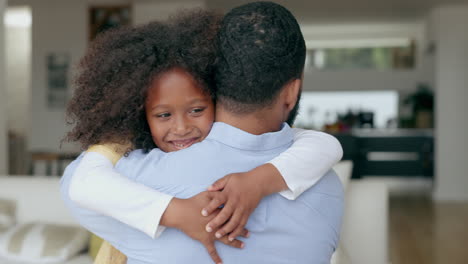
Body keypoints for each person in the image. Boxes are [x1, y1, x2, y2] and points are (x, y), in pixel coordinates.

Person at [61, 2, 343, 264]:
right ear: (292, 92)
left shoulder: (132, 176)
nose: (181, 127)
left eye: (195, 110)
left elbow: (77, 185)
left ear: (212, 85)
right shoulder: (326, 184)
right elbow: (322, 144)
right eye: (164, 115)